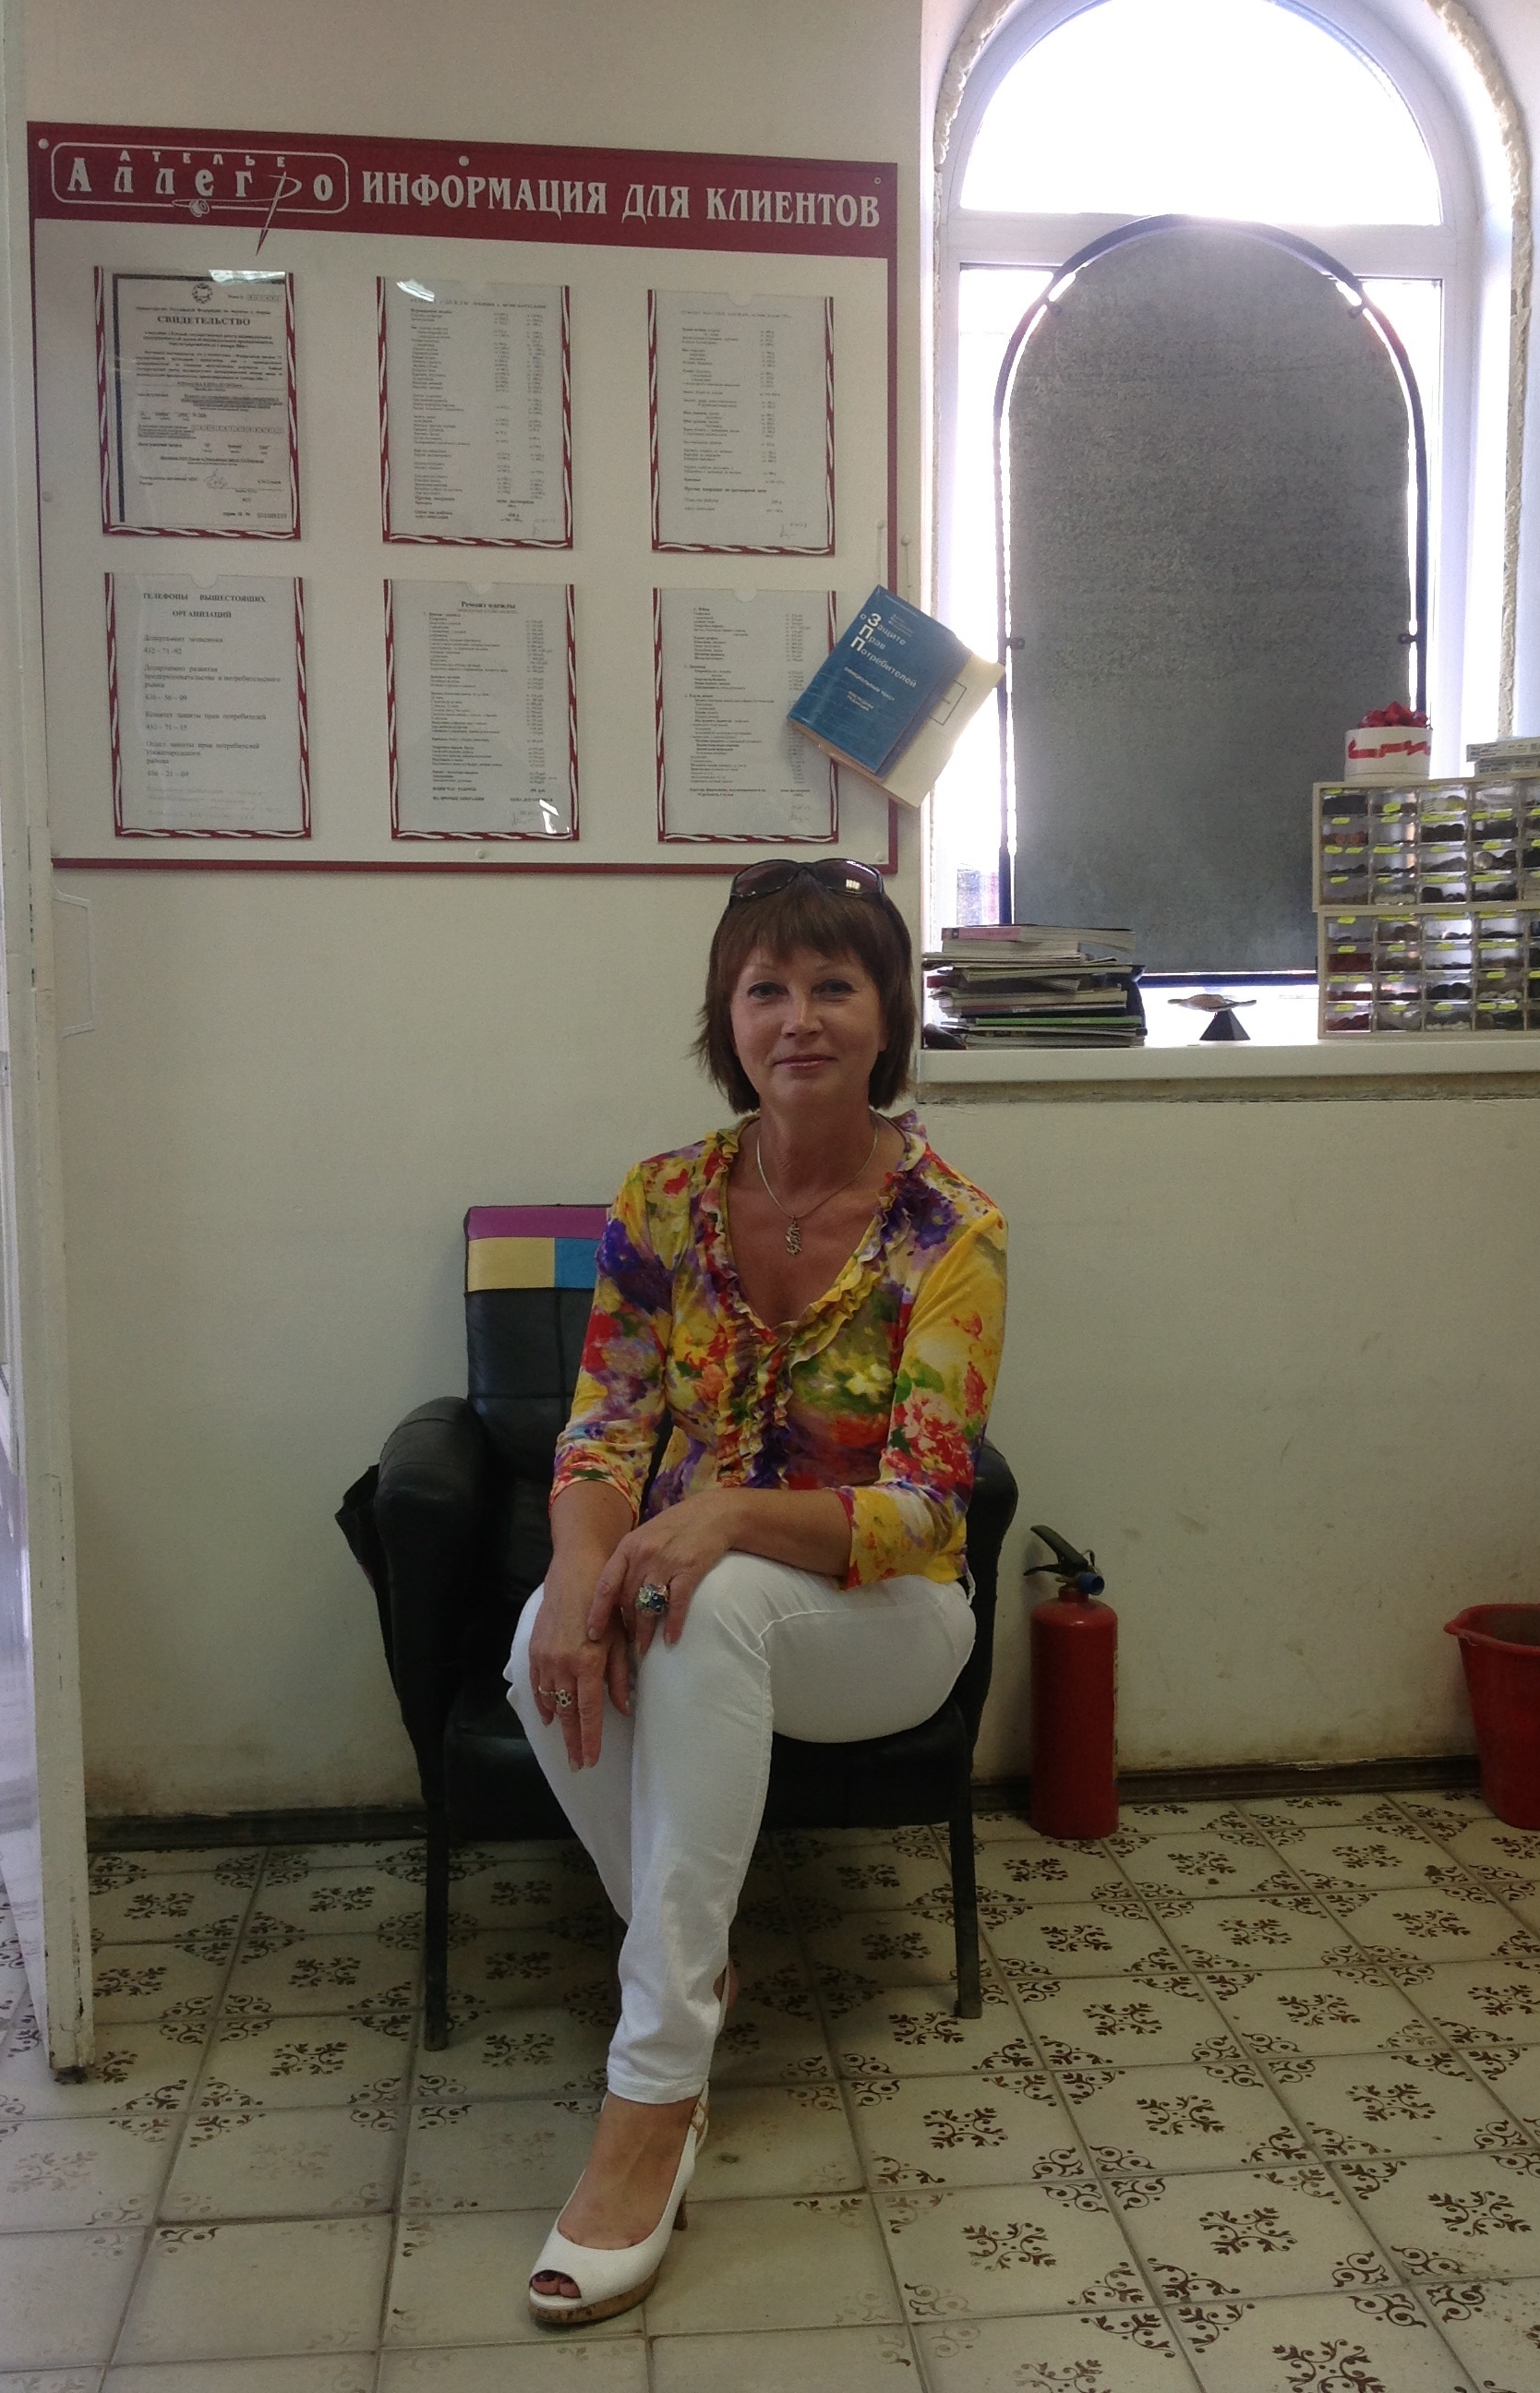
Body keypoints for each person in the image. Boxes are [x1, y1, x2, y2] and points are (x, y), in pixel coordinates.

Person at [504, 855, 1007, 2328]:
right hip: (693, 1598)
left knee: (710, 1600)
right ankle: (693, 1975)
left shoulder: (952, 1227)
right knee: (545, 1635)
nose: (799, 1017)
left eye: (833, 985)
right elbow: (604, 1430)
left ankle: (653, 2096)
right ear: (727, 1019)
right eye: (764, 987)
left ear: (887, 1012)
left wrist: (720, 1514)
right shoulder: (660, 1199)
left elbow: (927, 1507)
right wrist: (583, 1566)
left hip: (889, 1617)